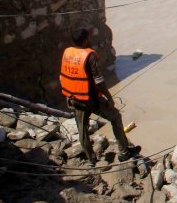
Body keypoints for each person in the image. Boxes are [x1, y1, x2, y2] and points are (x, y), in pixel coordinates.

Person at [60, 28, 140, 166]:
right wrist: (109, 97)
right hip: (90, 99)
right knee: (115, 117)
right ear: (86, 40)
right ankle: (124, 152)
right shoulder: (90, 56)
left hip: (74, 99)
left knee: (82, 130)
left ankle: (91, 160)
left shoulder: (68, 53)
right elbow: (99, 81)